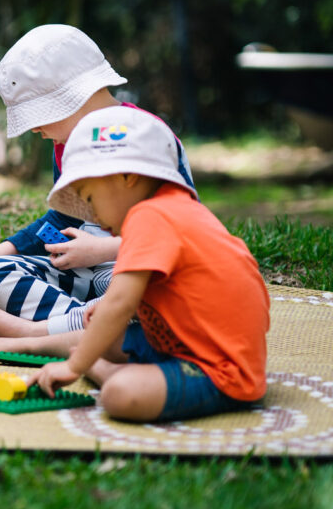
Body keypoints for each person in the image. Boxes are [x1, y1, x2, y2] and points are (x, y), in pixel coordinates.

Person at [0, 24, 194, 340]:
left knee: (148, 297)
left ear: (72, 97)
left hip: (132, 270)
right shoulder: (65, 144)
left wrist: (103, 250)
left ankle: (53, 331)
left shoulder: (148, 138)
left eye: (37, 115)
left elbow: (179, 234)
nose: (33, 129)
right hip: (81, 271)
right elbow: (64, 218)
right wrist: (2, 250)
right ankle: (89, 327)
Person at [28, 106, 268, 421]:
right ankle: (102, 363)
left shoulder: (149, 217)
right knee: (106, 335)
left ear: (127, 177)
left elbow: (120, 303)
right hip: (189, 341)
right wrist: (108, 312)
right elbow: (175, 292)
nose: (93, 216)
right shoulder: (170, 209)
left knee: (120, 394)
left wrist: (76, 367)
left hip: (219, 368)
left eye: (89, 199)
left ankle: (104, 371)